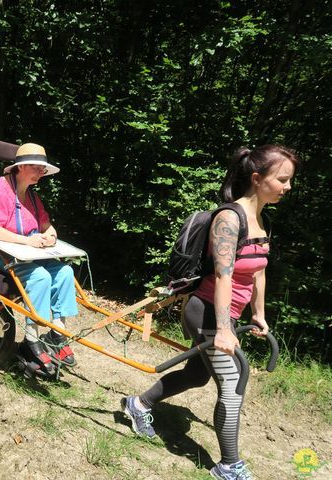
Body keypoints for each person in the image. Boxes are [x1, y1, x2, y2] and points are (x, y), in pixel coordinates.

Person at [122, 145, 299, 480]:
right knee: (232, 385)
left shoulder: (262, 220)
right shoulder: (230, 219)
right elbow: (223, 275)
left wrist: (258, 314)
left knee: (196, 375)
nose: (288, 186)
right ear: (258, 178)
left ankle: (138, 404)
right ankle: (229, 465)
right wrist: (222, 328)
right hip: (205, 311)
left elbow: (259, 270)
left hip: (227, 317)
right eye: (283, 179)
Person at [0, 143, 78, 378]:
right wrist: (27, 241)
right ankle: (31, 338)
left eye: (43, 168)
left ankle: (56, 333)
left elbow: (45, 224)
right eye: (36, 167)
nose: (41, 172)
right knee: (40, 277)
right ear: (20, 168)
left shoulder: (31, 195)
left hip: (26, 253)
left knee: (64, 273)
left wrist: (50, 233)